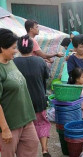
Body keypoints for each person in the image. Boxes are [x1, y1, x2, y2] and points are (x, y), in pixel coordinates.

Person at [0, 28, 39, 157]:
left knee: (32, 147)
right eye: (12, 48)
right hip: (10, 125)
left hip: (26, 119)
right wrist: (4, 129)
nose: (16, 51)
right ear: (1, 48)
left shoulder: (10, 62)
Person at [14, 35, 51, 157]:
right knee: (42, 123)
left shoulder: (13, 63)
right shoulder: (40, 61)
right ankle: (44, 149)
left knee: (26, 128)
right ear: (32, 48)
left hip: (22, 102)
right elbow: (46, 76)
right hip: (39, 98)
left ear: (18, 48)